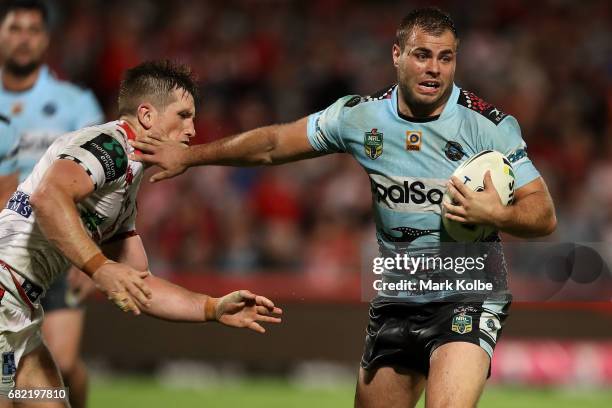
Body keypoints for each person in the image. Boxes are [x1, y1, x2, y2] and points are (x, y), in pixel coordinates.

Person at [130, 7, 556, 408]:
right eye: (422, 55)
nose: (434, 68)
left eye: (445, 58)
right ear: (397, 55)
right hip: (401, 291)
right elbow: (275, 144)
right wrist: (191, 155)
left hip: (470, 290)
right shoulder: (359, 118)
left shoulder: (488, 125)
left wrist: (496, 214)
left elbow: (543, 213)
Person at [0, 59, 282, 407]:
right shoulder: (110, 147)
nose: (193, 130)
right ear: (147, 116)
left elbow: (139, 283)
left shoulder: (126, 183)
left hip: (21, 312)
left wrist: (211, 307)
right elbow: (48, 196)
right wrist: (100, 267)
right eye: (183, 115)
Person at [0, 2, 104, 407]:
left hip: (59, 250)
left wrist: (89, 255)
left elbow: (102, 182)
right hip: (8, 254)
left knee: (63, 360)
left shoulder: (74, 104)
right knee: (17, 374)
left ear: (45, 40)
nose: (23, 38)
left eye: (32, 30)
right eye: (15, 28)